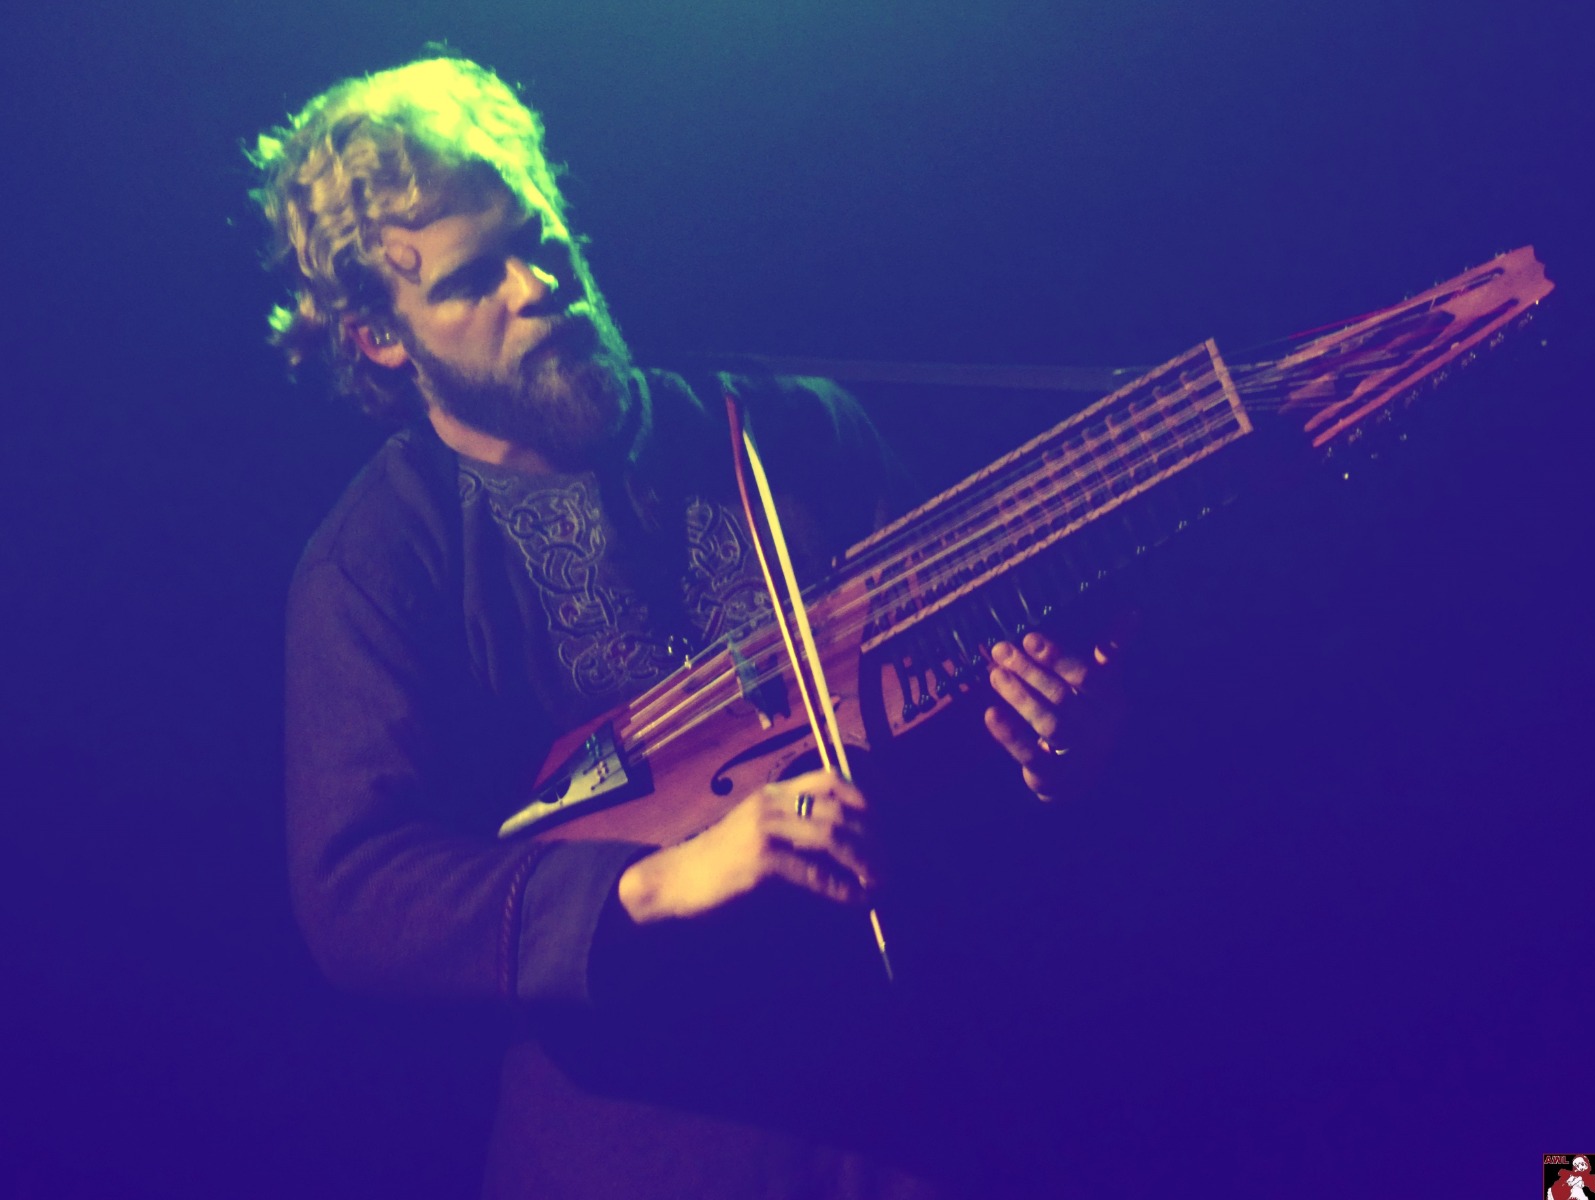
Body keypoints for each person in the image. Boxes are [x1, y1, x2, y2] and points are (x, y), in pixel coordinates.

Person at [253, 55, 1113, 1198]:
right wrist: (656, 881)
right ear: (379, 337)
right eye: (472, 280)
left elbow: (954, 719)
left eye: (539, 238)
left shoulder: (791, 432)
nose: (537, 286)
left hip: (933, 1102)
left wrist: (1045, 741)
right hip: (653, 1146)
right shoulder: (378, 560)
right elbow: (358, 892)